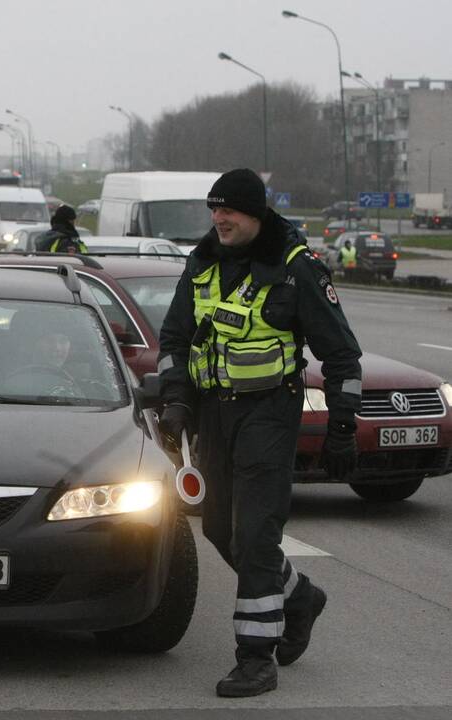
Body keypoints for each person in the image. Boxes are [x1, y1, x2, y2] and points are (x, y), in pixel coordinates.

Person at [156, 169, 362, 697]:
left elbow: (341, 355)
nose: (219, 219)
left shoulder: (295, 268)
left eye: (230, 211)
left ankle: (255, 658)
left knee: (254, 534)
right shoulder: (201, 263)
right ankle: (298, 598)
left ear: (256, 214)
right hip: (214, 415)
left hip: (271, 412)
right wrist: (177, 399)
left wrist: (341, 427)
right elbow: (175, 337)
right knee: (220, 530)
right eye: (214, 209)